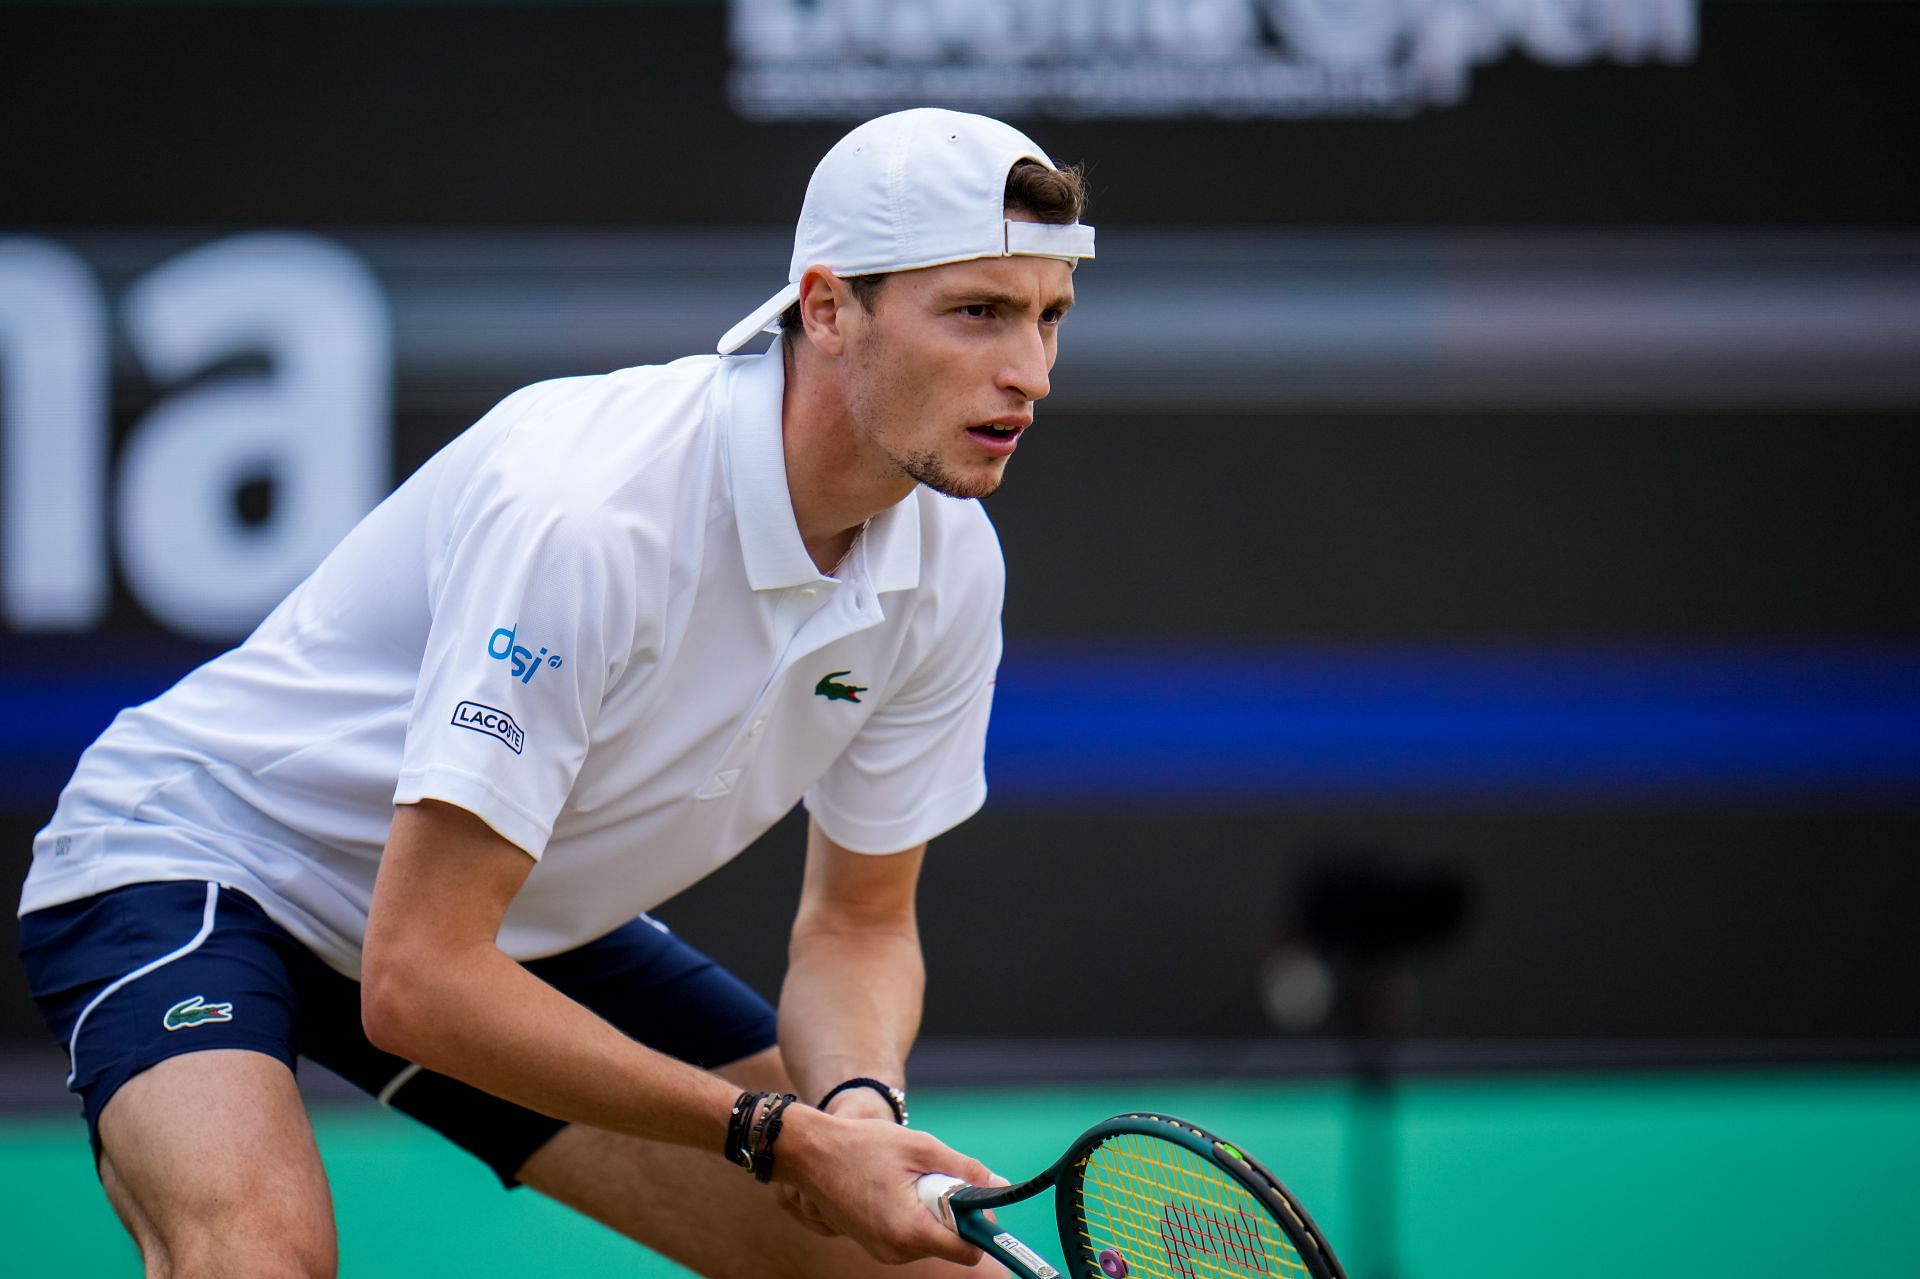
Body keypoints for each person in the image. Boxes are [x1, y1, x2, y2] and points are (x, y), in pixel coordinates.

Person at [17, 107, 1093, 1278]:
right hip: (210, 859)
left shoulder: (951, 565)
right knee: (263, 1258)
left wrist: (857, 1110)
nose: (1028, 372)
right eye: (977, 311)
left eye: (1048, 317)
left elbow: (859, 925)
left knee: (924, 1269)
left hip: (497, 921)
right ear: (829, 309)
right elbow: (419, 980)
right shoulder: (591, 516)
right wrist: (771, 1132)